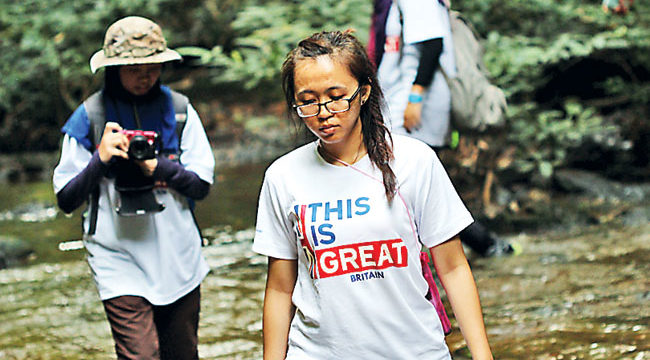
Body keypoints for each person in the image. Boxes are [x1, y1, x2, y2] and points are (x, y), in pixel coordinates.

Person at [252, 30, 493, 359]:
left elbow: (452, 268)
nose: (323, 112)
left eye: (336, 96)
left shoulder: (414, 162)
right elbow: (280, 288)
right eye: (307, 101)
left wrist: (482, 355)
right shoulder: (283, 177)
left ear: (364, 92)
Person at [52, 16, 214, 359]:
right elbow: (66, 198)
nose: (145, 75)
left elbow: (201, 185)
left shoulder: (181, 110)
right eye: (133, 67)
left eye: (152, 66)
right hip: (117, 255)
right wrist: (100, 159)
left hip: (177, 253)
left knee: (182, 353)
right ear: (114, 68)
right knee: (139, 354)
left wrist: (158, 167)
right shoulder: (89, 116)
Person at [369, 0, 518, 257]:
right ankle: (487, 245)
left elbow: (432, 45)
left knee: (411, 188)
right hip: (399, 104)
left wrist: (415, 99)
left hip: (416, 108)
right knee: (418, 191)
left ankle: (479, 248)